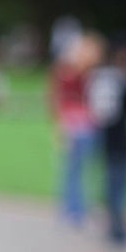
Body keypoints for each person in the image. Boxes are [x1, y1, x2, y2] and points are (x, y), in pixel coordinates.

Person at [88, 38, 126, 245]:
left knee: (112, 180)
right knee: (118, 181)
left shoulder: (99, 77)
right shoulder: (120, 79)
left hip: (105, 135)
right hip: (118, 136)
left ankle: (114, 222)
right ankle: (116, 225)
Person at [49, 31, 104, 227]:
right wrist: (59, 127)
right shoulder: (67, 72)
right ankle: (72, 209)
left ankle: (82, 206)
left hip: (90, 127)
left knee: (86, 169)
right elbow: (57, 101)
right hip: (73, 127)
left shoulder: (94, 74)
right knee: (72, 169)